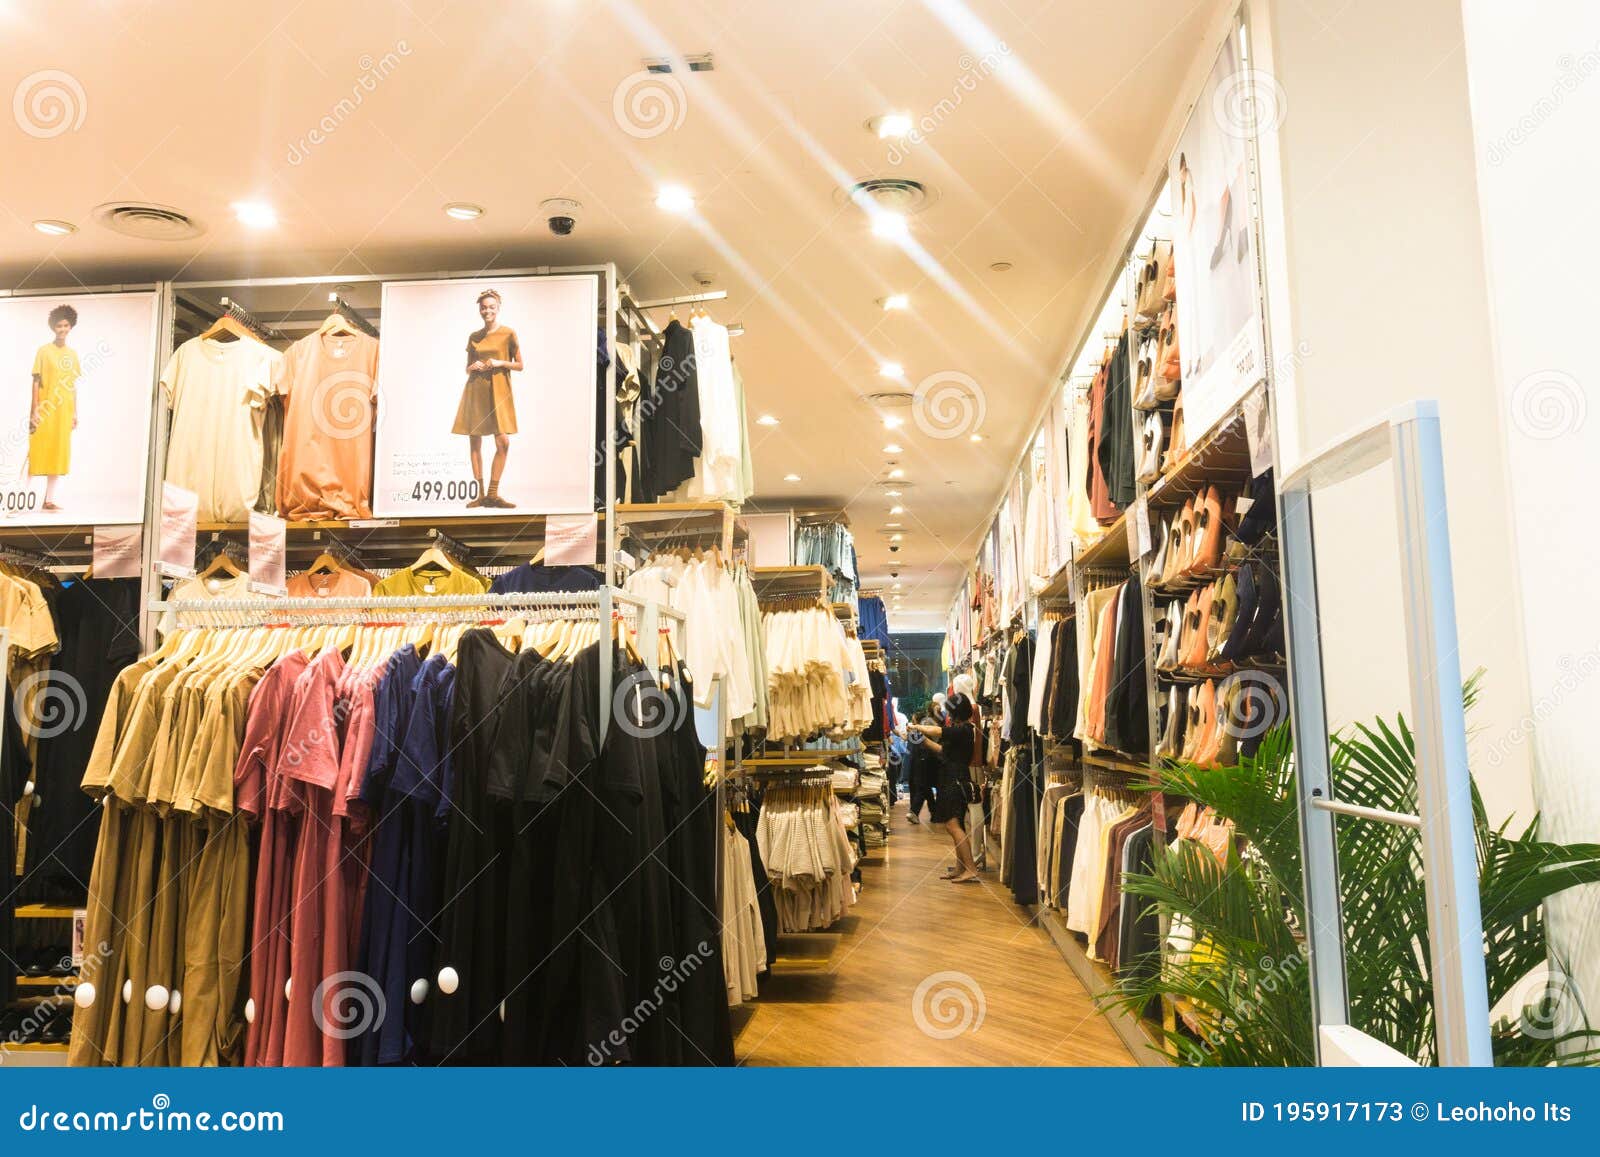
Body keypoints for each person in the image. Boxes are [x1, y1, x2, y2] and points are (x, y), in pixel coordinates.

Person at [452, 289, 523, 509]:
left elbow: (520, 365)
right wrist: (472, 367)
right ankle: (481, 494)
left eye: (491, 307)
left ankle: (493, 493)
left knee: (503, 442)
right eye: (484, 307)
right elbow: (467, 367)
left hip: (498, 391)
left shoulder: (508, 333)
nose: (487, 311)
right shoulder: (474, 336)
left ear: (498, 308)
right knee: (475, 441)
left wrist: (499, 363)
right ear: (479, 309)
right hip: (476, 390)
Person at [911, 693, 980, 882]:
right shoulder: (960, 729)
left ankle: (971, 868)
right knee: (956, 825)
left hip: (954, 780)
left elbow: (938, 732)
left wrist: (917, 726)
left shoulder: (965, 729)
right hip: (950, 778)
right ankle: (961, 866)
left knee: (953, 825)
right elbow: (942, 750)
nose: (946, 714)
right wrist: (921, 739)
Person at [29, 303, 82, 511]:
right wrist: (35, 409)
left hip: (64, 411)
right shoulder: (43, 351)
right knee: (36, 451)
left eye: (66, 325)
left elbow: (73, 385)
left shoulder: (73, 354)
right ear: (53, 327)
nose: (62, 329)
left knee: (58, 452)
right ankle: (18, 497)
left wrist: (75, 412)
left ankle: (48, 500)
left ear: (71, 326)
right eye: (59, 325)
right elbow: (35, 381)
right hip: (45, 408)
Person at [905, 711, 937, 825]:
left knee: (922, 786)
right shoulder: (919, 731)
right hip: (921, 761)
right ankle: (934, 813)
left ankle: (914, 812)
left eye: (913, 721)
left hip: (924, 761)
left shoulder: (923, 730)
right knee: (925, 787)